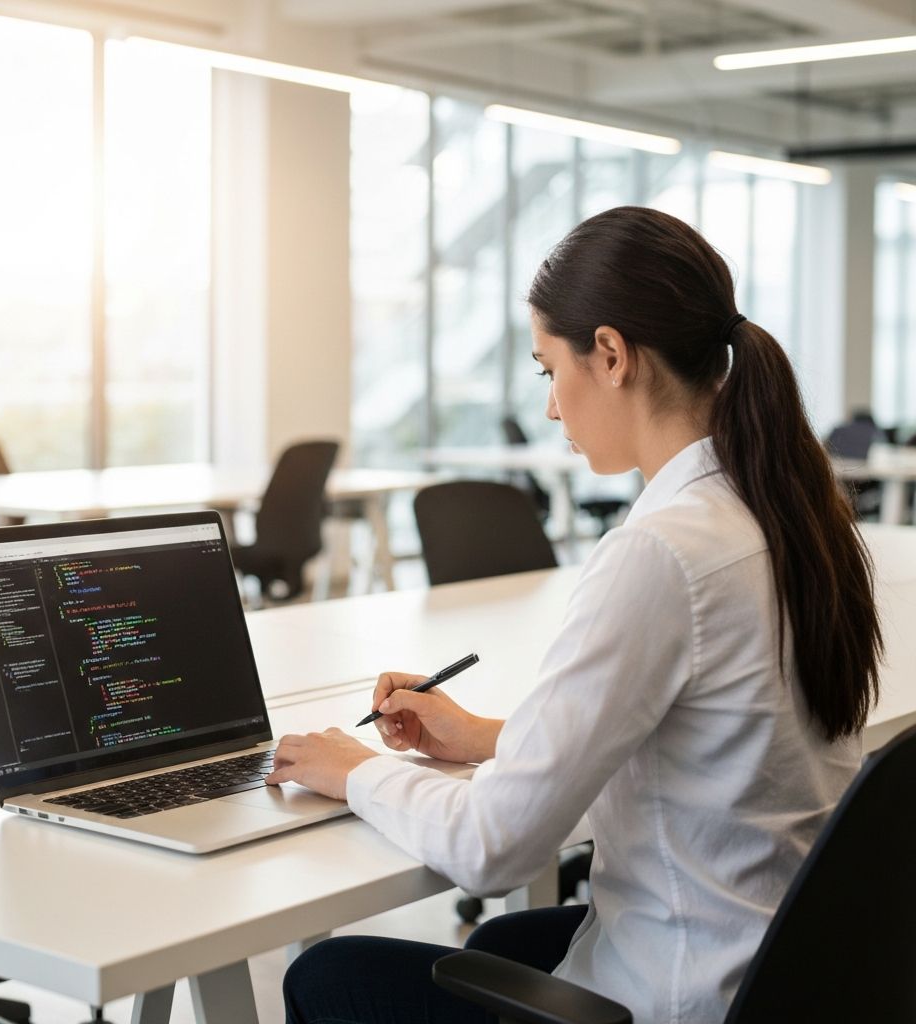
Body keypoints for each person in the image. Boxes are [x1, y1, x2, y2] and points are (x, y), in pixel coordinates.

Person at [265, 206, 883, 1024]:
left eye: (547, 368)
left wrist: (355, 771)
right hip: (783, 964)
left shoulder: (661, 553)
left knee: (328, 976)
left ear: (613, 355)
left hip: (685, 990)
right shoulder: (784, 510)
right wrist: (487, 737)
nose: (552, 407)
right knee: (501, 947)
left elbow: (493, 849)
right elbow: (696, 740)